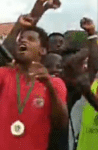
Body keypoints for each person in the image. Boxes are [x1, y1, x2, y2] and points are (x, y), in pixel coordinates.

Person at [0, 21, 68, 150]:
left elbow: (61, 123)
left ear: (42, 50)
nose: (23, 41)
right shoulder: (3, 75)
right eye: (20, 39)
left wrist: (49, 86)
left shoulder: (55, 83)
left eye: (30, 39)